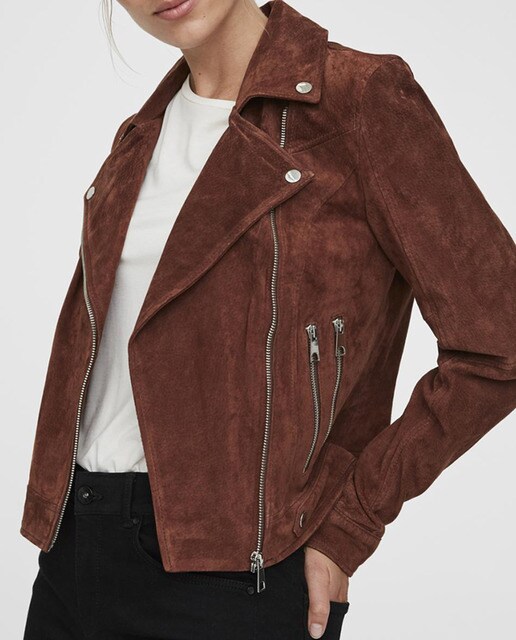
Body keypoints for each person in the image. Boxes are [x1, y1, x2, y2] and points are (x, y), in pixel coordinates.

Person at [21, 0, 516, 638]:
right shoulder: (141, 134)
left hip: (236, 575)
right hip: (73, 550)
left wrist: (351, 523)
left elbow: (499, 339)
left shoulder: (357, 99)